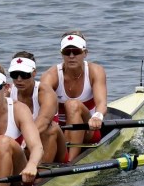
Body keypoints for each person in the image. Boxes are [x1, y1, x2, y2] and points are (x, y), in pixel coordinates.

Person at [41, 31, 108, 162]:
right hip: (60, 133)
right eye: (67, 52)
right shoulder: (50, 76)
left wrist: (98, 116)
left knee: (72, 104)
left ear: (85, 53)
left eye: (76, 51)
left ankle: (70, 163)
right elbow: (42, 107)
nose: (71, 56)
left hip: (88, 130)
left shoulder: (95, 71)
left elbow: (102, 103)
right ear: (61, 54)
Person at [8, 51, 66, 165]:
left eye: (24, 74)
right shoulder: (7, 93)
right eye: (14, 74)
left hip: (52, 147)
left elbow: (44, 121)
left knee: (50, 128)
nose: (19, 79)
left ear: (34, 73)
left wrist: (25, 140)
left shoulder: (45, 92)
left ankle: (40, 176)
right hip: (25, 148)